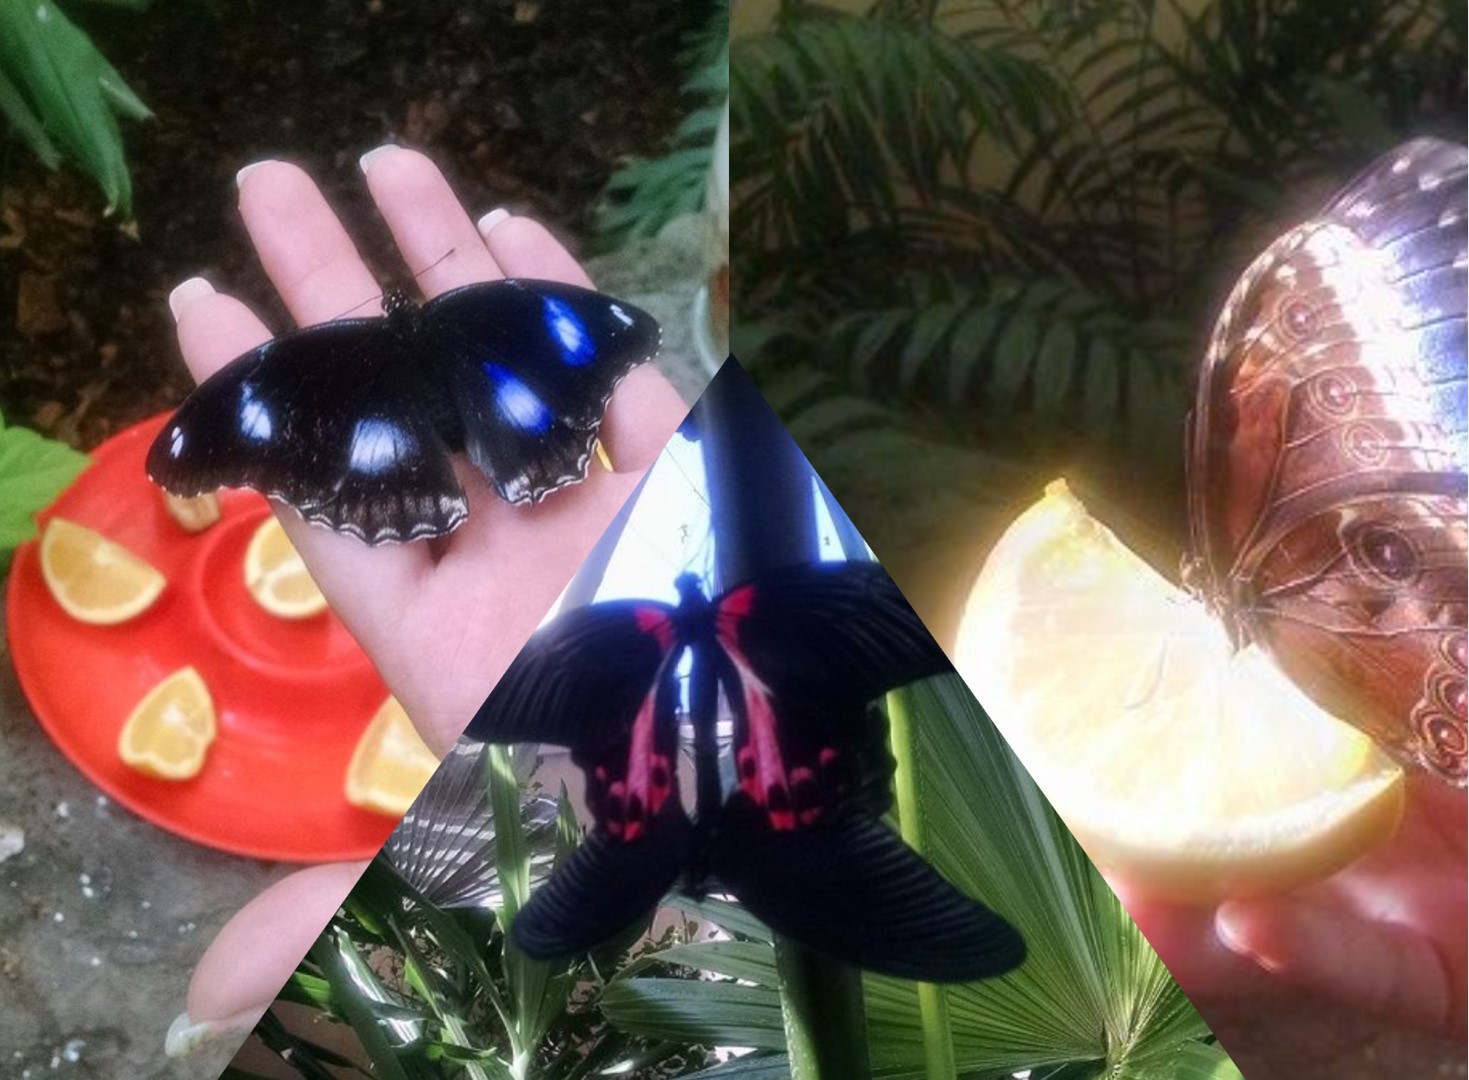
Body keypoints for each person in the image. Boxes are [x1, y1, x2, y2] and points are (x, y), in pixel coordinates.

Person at [165, 145, 687, 1055]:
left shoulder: (321, 361)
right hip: (487, 423)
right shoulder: (500, 316)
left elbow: (591, 338)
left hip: (389, 448)